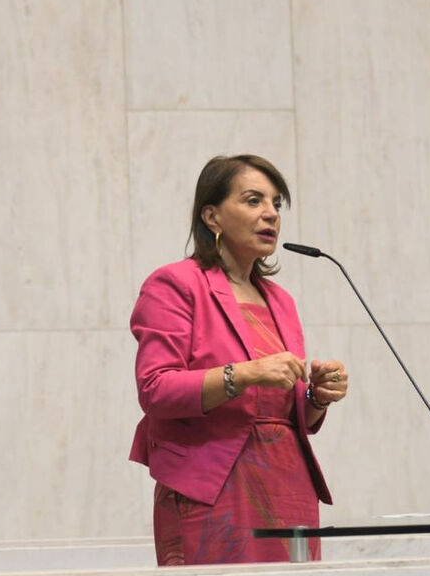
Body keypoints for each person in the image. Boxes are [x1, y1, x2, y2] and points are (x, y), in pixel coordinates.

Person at [129, 154, 349, 564]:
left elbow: (289, 415)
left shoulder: (281, 301)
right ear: (212, 216)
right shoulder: (175, 284)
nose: (270, 214)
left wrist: (317, 397)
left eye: (276, 204)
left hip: (288, 486)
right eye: (253, 201)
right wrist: (245, 373)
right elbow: (155, 389)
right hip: (212, 488)